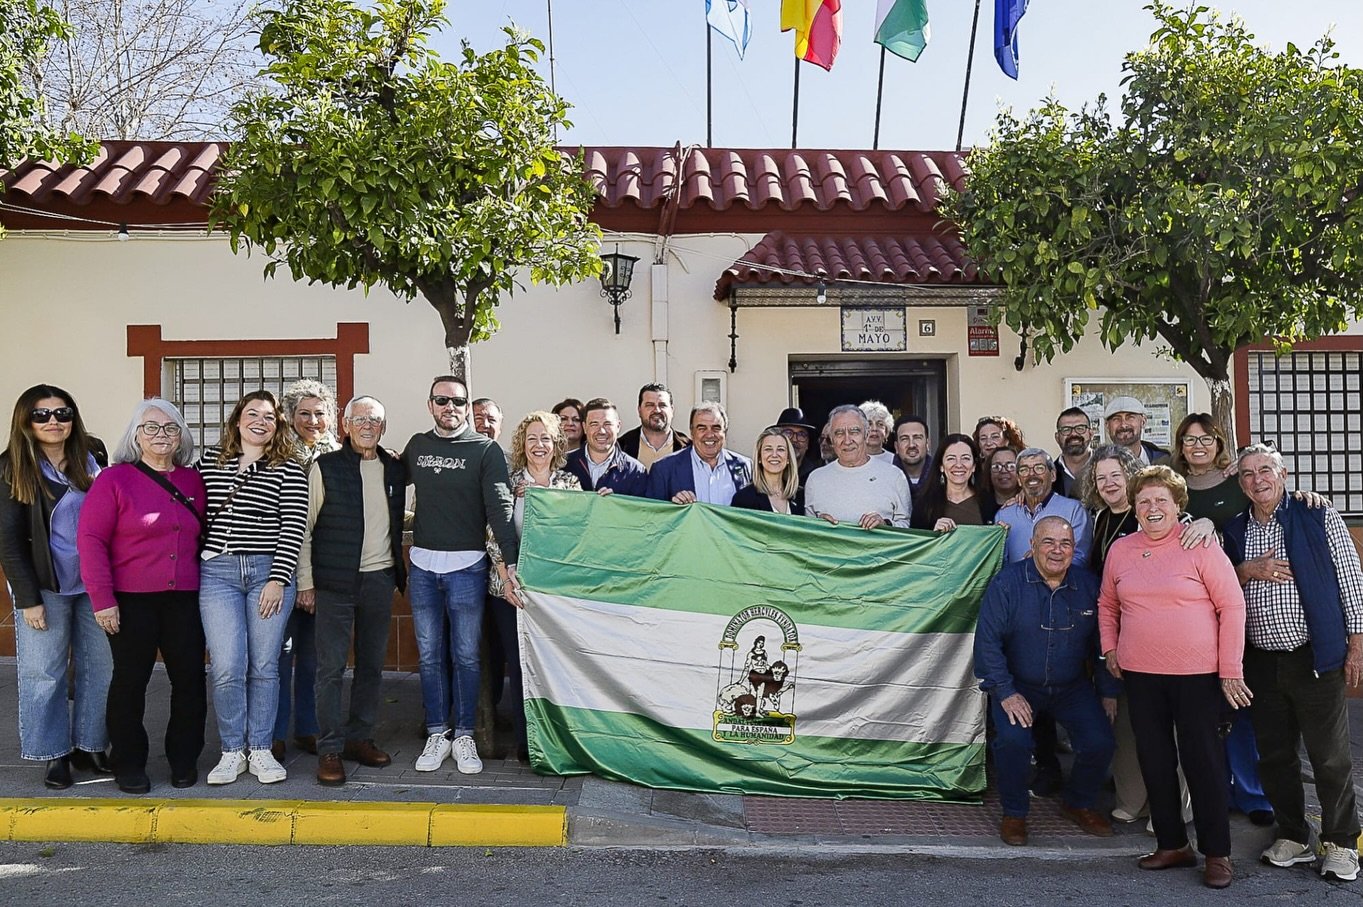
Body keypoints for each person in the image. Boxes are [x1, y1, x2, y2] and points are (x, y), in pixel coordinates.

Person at [1099, 466, 1247, 890]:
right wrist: (1110, 647)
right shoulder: (1122, 550)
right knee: (1155, 761)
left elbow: (1232, 607)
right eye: (1144, 501)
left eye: (1161, 500)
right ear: (1135, 507)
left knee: (1203, 763)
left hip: (1197, 675)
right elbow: (1107, 605)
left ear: (1178, 504)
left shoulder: (1199, 545)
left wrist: (1230, 668)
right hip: (1141, 674)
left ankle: (1217, 853)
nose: (1152, 508)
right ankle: (1172, 844)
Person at [1224, 443, 1363, 883]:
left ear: (1283, 474)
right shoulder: (1234, 530)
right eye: (1247, 473)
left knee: (1331, 758)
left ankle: (1342, 842)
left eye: (1266, 469)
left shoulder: (1317, 515)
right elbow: (1221, 582)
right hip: (1260, 661)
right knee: (1276, 756)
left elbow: (1350, 578)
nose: (1257, 479)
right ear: (1240, 483)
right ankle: (1294, 834)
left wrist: (1356, 643)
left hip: (1314, 657)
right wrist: (1247, 570)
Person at [77, 399, 207, 793]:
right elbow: (91, 540)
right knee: (130, 682)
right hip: (130, 599)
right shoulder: (114, 479)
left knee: (189, 680)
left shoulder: (192, 479)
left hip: (184, 597)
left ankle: (184, 759)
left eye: (170, 428)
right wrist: (102, 599)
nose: (161, 435)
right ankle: (129, 762)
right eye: (150, 428)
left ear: (181, 435)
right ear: (135, 435)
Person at [975, 516, 1117, 846]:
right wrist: (1006, 692)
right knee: (1013, 742)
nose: (1057, 550)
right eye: (1048, 542)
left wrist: (1108, 692)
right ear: (1033, 546)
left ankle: (1077, 802)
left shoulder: (1088, 585)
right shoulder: (1007, 584)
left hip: (1071, 686)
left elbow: (1102, 642)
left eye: (1065, 543)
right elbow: (987, 643)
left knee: (1100, 741)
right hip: (1018, 684)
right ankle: (1014, 812)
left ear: (1074, 549)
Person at [403, 376, 518, 775]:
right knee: (431, 655)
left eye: (457, 401)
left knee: (467, 656)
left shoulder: (485, 450)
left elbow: (500, 508)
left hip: (467, 567)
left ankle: (465, 735)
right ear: (430, 403)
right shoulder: (417, 447)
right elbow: (387, 483)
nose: (449, 407)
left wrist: (511, 561)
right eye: (441, 400)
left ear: (466, 407)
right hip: (421, 567)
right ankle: (438, 732)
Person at [0, 384, 111, 790]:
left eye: (62, 413)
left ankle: (91, 745)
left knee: (100, 666)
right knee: (43, 672)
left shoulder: (93, 452)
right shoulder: (12, 465)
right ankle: (53, 754)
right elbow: (8, 540)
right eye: (42, 414)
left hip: (95, 583)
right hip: (44, 585)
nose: (54, 422)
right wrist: (27, 599)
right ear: (26, 421)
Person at [197, 390, 309, 786]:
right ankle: (231, 751)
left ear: (278, 424)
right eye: (252, 413)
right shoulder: (209, 462)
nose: (260, 421)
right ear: (237, 419)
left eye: (269, 416)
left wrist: (279, 579)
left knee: (264, 666)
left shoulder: (288, 468)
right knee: (227, 665)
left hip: (267, 572)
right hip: (218, 574)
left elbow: (293, 526)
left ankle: (260, 748)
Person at [295, 396, 406, 786]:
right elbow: (304, 529)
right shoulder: (325, 468)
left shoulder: (394, 469)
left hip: (379, 579)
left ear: (383, 427)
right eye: (359, 419)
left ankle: (360, 738)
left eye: (375, 420)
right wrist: (305, 582)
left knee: (372, 667)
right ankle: (329, 749)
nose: (367, 426)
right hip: (334, 583)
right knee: (330, 669)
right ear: (345, 425)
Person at [1082, 444, 1195, 827]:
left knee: (1173, 727)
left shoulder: (1151, 511)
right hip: (1121, 634)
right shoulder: (1099, 519)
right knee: (1131, 724)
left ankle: (1174, 809)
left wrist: (1208, 525)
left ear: (1130, 477)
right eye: (1101, 477)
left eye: (1116, 475)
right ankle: (1135, 799)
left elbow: (1194, 533)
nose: (1109, 483)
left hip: (1167, 636)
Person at [1170, 413, 1274, 827]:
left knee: (1239, 703)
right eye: (1189, 439)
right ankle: (1208, 793)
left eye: (1206, 438)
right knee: (1202, 709)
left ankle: (1251, 793)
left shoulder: (1238, 483)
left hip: (1240, 605)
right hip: (1189, 613)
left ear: (1218, 443)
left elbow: (1272, 495)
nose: (1197, 446)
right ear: (1179, 445)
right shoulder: (1173, 488)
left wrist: (1306, 496)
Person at [488, 411, 581, 760]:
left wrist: (546, 496)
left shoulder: (569, 485)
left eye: (545, 438)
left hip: (553, 596)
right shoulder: (508, 482)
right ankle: (527, 743)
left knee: (554, 665)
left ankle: (557, 739)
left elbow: (575, 534)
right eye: (531, 438)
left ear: (556, 443)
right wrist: (508, 576)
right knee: (519, 663)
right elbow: (493, 532)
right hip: (509, 591)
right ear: (521, 445)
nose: (538, 445)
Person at [272, 379, 341, 764]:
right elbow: (295, 525)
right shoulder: (279, 455)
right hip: (284, 569)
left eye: (319, 413)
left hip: (328, 573)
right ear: (289, 417)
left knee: (317, 656)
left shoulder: (341, 454)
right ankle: (276, 732)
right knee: (279, 655)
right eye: (304, 413)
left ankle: (310, 728)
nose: (313, 420)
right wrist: (302, 581)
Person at [805, 405, 912, 529]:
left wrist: (885, 524)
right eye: (839, 433)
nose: (847, 440)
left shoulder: (894, 476)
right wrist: (818, 526)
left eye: (854, 432)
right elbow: (808, 534)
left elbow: (907, 527)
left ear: (866, 435)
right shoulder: (815, 479)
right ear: (831, 440)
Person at [995, 448, 1092, 564]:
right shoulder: (1004, 515)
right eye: (1024, 470)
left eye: (1039, 468)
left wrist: (1046, 566)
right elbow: (999, 563)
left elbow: (1080, 559)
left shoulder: (1074, 511)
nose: (1031, 474)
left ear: (1052, 475)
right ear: (1019, 480)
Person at [647, 402, 752, 506]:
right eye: (702, 428)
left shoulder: (744, 466)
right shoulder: (664, 469)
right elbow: (653, 516)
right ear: (692, 432)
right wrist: (675, 509)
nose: (710, 435)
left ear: (725, 432)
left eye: (716, 428)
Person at [909, 434, 996, 531]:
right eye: (951, 458)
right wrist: (933, 534)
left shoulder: (989, 502)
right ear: (941, 466)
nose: (958, 465)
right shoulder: (924, 505)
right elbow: (917, 543)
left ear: (974, 466)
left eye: (965, 458)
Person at [564, 398, 648, 496]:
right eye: (594, 424)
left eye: (607, 424)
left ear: (618, 426)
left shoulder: (635, 471)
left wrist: (616, 503)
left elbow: (640, 509)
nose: (601, 431)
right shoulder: (565, 464)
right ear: (584, 427)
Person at [731, 426, 805, 515]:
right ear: (759, 457)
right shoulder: (743, 498)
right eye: (768, 449)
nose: (774, 455)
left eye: (780, 449)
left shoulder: (800, 496)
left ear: (788, 458)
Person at [618, 383, 690, 469]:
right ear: (639, 410)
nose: (657, 410)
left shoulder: (689, 448)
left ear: (672, 410)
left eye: (662, 405)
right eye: (650, 405)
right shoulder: (621, 447)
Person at [1103, 396, 1170, 464]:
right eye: (1116, 419)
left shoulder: (1164, 461)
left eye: (1130, 418)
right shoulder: (1098, 465)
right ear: (1107, 425)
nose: (1123, 425)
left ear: (1143, 422)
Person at [974, 416, 1026, 496]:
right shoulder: (973, 469)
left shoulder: (1022, 465)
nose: (988, 443)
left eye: (995, 437)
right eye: (983, 438)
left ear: (1006, 441)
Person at [1053, 407, 1094, 499]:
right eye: (1066, 429)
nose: (1074, 434)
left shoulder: (1106, 468)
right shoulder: (1048, 475)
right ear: (1057, 437)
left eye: (1080, 428)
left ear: (1091, 434)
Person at [774, 407, 819, 483]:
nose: (794, 439)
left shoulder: (816, 476)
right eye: (788, 433)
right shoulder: (764, 474)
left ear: (807, 444)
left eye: (801, 434)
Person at [892, 415, 932, 496]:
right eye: (904, 439)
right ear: (896, 447)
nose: (911, 445)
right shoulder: (885, 479)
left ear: (927, 444)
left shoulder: (943, 478)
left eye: (917, 438)